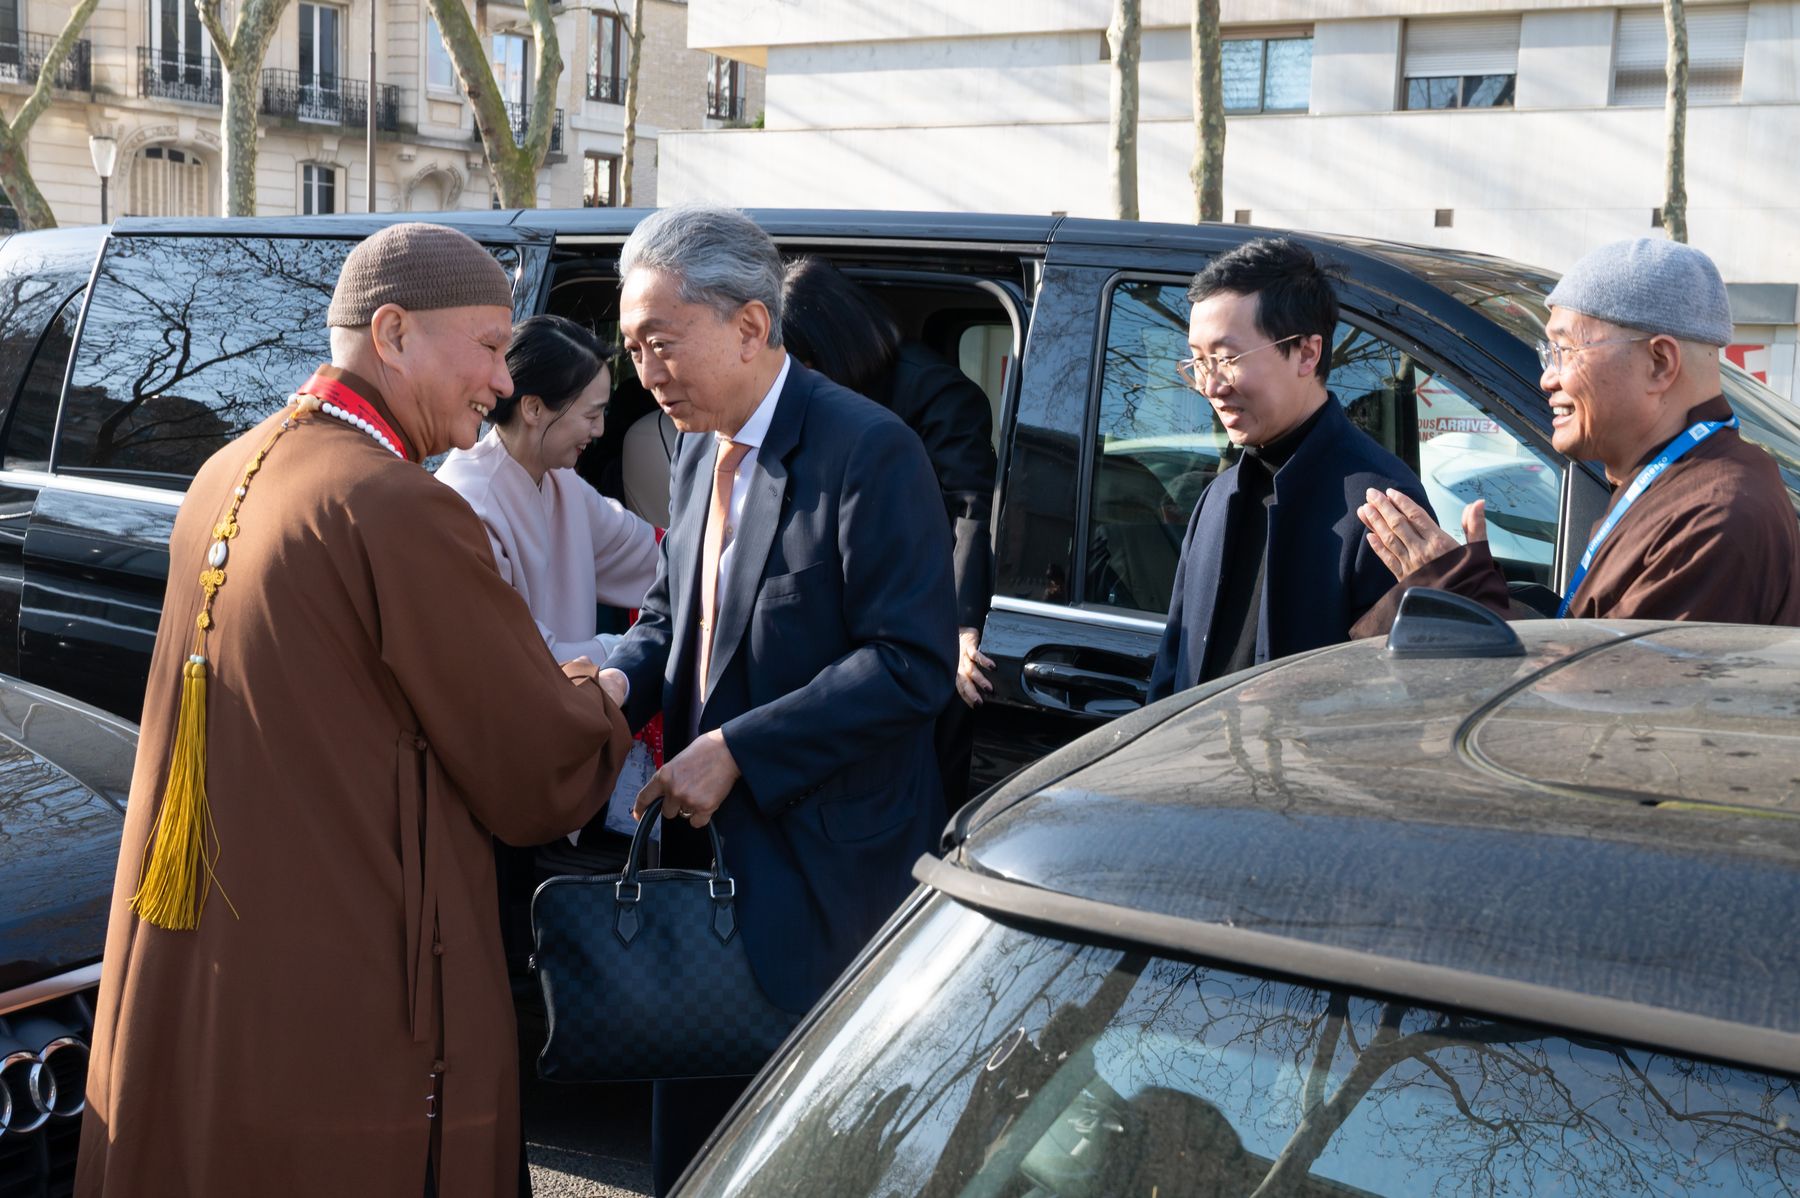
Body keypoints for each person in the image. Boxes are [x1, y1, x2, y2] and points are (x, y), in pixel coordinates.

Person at [75, 223, 631, 1198]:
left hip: (232, 959)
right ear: (393, 333)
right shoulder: (394, 504)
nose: (503, 382)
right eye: (488, 346)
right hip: (352, 973)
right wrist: (602, 694)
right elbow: (531, 763)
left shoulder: (229, 468)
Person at [595, 204, 957, 1195]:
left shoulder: (867, 449)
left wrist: (740, 748)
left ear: (750, 325)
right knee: (695, 1149)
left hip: (823, 877)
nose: (644, 371)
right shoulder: (694, 446)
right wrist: (619, 679)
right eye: (633, 347)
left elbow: (911, 663)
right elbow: (669, 613)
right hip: (698, 875)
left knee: (809, 1157)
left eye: (660, 342)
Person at [1355, 237, 1800, 630]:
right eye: (1548, 352)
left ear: (1659, 363)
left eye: (1566, 350)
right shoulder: (1676, 485)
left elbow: (1606, 692)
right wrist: (1467, 594)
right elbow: (1592, 649)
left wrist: (1462, 597)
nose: (1547, 378)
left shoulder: (1711, 518)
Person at [1146, 237, 1432, 702]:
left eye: (1226, 359)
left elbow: (1396, 704)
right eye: (1198, 362)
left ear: (1306, 353)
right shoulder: (1217, 498)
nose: (1210, 386)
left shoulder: (1380, 508)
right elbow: (1172, 670)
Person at [779, 254, 998, 807]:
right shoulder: (815, 398)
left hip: (915, 602)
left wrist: (959, 625)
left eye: (801, 360)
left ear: (829, 344)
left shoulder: (933, 391)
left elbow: (970, 510)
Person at [437, 314, 659, 666]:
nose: (600, 430)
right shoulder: (467, 504)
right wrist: (638, 646)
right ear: (534, 408)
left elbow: (648, 556)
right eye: (591, 415)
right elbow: (515, 657)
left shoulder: (561, 481)